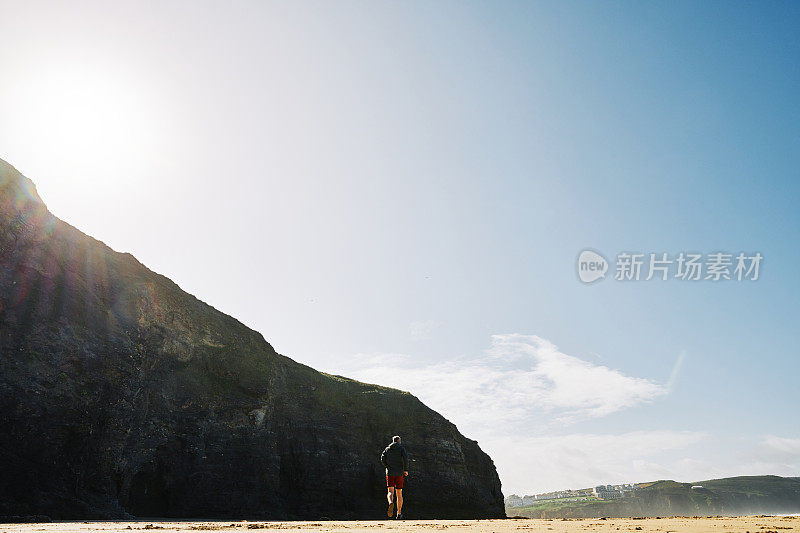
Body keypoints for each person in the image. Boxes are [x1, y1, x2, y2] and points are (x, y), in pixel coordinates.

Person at [380, 435, 409, 519]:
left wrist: (387, 466)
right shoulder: (401, 449)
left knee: (390, 492)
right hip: (399, 473)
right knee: (399, 493)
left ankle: (390, 502)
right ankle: (399, 514)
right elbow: (406, 459)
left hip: (390, 473)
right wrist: (405, 470)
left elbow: (382, 458)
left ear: (393, 441)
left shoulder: (387, 449)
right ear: (399, 441)